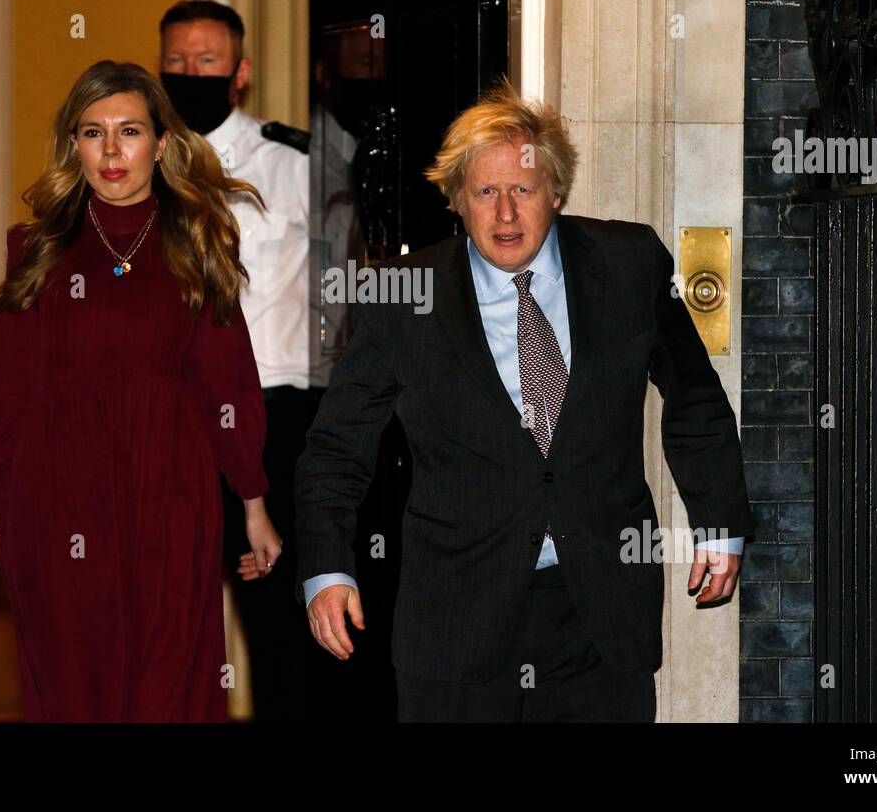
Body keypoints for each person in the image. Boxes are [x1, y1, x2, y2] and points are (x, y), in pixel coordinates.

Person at [294, 80, 756, 721]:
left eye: (524, 190)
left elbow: (696, 399)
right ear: (457, 200)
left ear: (557, 193)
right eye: (485, 192)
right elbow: (336, 447)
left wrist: (721, 521)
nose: (505, 214)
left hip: (598, 609)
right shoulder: (400, 294)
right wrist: (328, 569)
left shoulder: (629, 265)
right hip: (457, 618)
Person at [0, 60, 282, 722]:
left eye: (130, 131)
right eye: (92, 132)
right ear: (72, 144)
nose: (112, 152)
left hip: (172, 500)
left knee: (168, 690)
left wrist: (252, 503)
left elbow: (227, 379)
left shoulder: (197, 238)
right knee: (75, 691)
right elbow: (5, 391)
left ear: (162, 143)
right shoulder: (38, 247)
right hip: (57, 506)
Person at [158, 0, 325, 721]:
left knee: (279, 625)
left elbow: (347, 288)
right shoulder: (138, 163)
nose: (191, 73)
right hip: (173, 426)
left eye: (207, 61)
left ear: (241, 71)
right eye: (177, 62)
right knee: (169, 619)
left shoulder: (292, 163)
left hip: (274, 418)